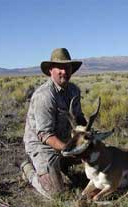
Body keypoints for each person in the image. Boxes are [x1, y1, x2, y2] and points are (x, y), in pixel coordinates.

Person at [21, 48, 87, 199]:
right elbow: (45, 134)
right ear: (51, 70)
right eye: (60, 68)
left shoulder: (74, 90)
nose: (64, 71)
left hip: (65, 142)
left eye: (68, 67)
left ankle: (60, 165)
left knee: (93, 154)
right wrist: (69, 149)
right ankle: (28, 170)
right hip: (42, 146)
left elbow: (79, 118)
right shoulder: (44, 96)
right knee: (56, 193)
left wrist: (88, 133)